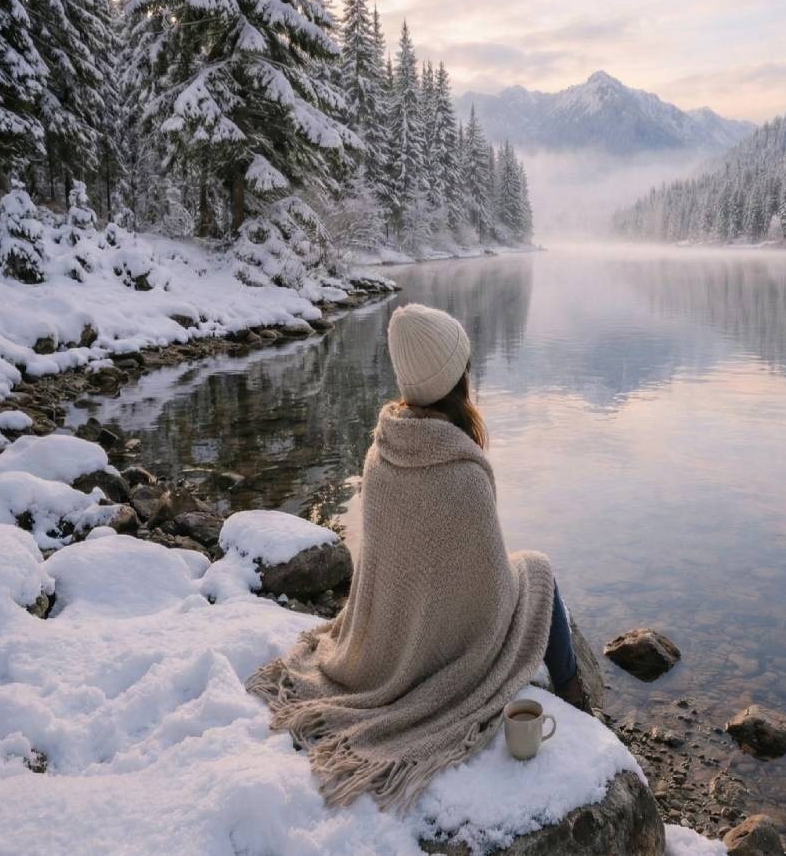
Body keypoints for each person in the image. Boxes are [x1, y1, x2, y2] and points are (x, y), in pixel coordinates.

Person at [248, 303, 587, 813]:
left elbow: (397, 562)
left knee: (526, 570)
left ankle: (573, 694)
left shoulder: (381, 450)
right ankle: (575, 695)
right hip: (453, 639)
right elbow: (491, 587)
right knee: (536, 569)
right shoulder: (462, 472)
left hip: (392, 629)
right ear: (456, 381)